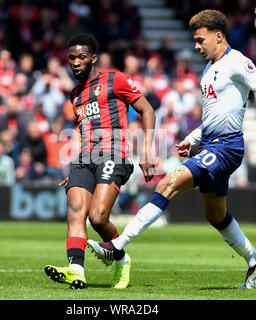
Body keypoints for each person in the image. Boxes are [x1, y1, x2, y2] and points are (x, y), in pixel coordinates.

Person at [87, 10, 256, 290]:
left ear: (218, 37)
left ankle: (117, 246)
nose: (196, 46)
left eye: (200, 39)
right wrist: (193, 138)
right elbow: (213, 117)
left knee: (168, 183)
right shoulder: (208, 70)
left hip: (226, 147)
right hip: (209, 144)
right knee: (215, 215)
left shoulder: (237, 62)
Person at [44, 33, 156, 290]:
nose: (75, 62)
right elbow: (83, 130)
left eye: (81, 57)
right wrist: (74, 166)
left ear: (93, 58)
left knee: (97, 217)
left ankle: (121, 256)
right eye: (71, 57)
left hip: (113, 154)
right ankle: (76, 269)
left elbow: (147, 110)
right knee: (74, 212)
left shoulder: (114, 80)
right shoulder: (75, 95)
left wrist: (148, 152)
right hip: (84, 159)